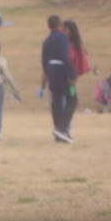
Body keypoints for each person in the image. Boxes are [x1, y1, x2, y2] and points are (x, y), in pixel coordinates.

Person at [40, 15, 77, 144]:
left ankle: (59, 135)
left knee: (56, 103)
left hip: (52, 73)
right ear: (60, 24)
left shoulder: (47, 40)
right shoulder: (63, 37)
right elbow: (64, 57)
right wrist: (71, 73)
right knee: (72, 99)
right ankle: (61, 129)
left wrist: (48, 74)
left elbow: (44, 60)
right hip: (62, 72)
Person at [60, 20, 91, 135]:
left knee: (70, 104)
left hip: (71, 81)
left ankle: (67, 130)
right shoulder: (61, 44)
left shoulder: (76, 47)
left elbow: (79, 65)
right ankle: (62, 129)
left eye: (66, 30)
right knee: (62, 105)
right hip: (60, 80)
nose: (63, 32)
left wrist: (74, 80)